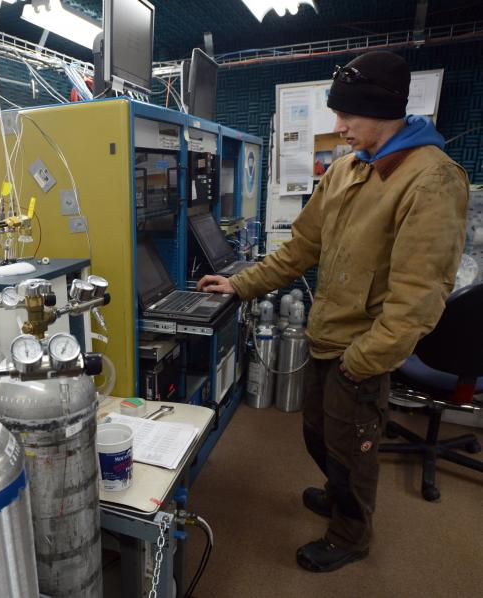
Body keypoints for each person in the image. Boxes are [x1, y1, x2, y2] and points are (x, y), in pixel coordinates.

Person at [198, 50, 469, 573]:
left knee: (352, 451)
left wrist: (362, 360)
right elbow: (301, 248)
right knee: (319, 436)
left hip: (361, 352)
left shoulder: (432, 179)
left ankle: (351, 533)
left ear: (383, 111)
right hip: (327, 337)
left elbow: (418, 299)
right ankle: (338, 492)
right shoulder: (347, 169)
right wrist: (240, 285)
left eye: (347, 115)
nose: (338, 126)